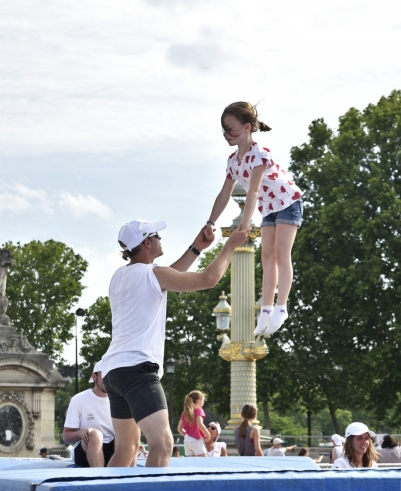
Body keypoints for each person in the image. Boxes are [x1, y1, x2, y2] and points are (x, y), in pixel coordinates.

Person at [101, 218, 250, 469]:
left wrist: (196, 248)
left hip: (114, 371)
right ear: (147, 242)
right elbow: (209, 279)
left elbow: (166, 275)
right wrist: (231, 246)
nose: (161, 239)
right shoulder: (153, 274)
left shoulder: (120, 276)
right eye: (157, 236)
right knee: (163, 445)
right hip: (138, 370)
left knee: (126, 448)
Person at [205, 101, 303, 337]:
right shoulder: (232, 162)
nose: (226, 134)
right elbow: (224, 194)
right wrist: (210, 222)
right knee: (266, 256)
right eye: (224, 129)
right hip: (269, 207)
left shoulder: (258, 153)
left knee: (281, 254)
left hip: (288, 201)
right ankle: (266, 310)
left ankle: (281, 307)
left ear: (247, 127)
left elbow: (253, 191)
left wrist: (246, 223)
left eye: (231, 128)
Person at [63, 360, 115, 468]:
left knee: (129, 434)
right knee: (95, 435)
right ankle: (99, 479)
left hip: (113, 450)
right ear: (94, 376)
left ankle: (129, 479)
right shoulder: (78, 400)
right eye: (104, 375)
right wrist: (82, 432)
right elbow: (66, 436)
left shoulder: (120, 400)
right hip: (85, 449)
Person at [177, 391, 210, 457]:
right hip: (196, 440)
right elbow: (200, 424)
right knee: (202, 463)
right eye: (203, 400)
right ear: (199, 400)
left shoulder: (184, 413)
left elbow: (179, 429)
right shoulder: (199, 410)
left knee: (191, 465)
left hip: (187, 441)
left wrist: (187, 435)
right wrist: (208, 434)